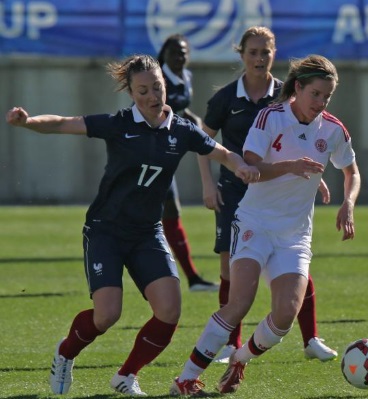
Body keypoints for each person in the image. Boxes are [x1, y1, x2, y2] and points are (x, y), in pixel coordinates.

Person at [5, 54, 259, 396]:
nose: (153, 96)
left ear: (165, 85)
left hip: (146, 233)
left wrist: (240, 165)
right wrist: (28, 121)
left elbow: (222, 152)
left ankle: (126, 375)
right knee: (107, 315)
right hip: (105, 229)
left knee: (169, 310)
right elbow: (64, 123)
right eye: (143, 91)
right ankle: (65, 353)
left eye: (157, 87)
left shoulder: (182, 130)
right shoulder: (118, 124)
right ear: (131, 94)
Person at [170, 54, 361, 396]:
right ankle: (185, 379)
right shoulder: (270, 117)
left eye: (327, 97)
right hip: (254, 223)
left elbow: (351, 171)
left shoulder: (333, 129)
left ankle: (239, 359)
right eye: (315, 94)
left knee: (286, 315)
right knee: (239, 302)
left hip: (295, 235)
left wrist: (348, 203)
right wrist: (290, 166)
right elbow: (252, 168)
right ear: (298, 88)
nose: (320, 103)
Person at [196, 26, 337, 364]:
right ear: (241, 54)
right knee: (231, 270)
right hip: (236, 193)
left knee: (294, 265)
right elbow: (204, 142)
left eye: (266, 52)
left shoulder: (290, 95)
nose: (260, 58)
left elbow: (302, 142)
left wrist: (310, 178)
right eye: (253, 52)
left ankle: (310, 338)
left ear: (275, 54)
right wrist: (208, 183)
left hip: (281, 194)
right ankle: (231, 344)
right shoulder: (226, 98)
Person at [157, 34, 218, 292]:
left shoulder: (186, 78)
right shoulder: (157, 79)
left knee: (169, 211)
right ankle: (188, 278)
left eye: (183, 52)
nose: (179, 57)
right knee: (167, 210)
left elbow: (179, 111)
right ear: (165, 54)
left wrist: (193, 119)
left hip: (168, 154)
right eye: (174, 52)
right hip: (152, 152)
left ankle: (192, 279)